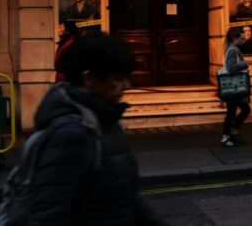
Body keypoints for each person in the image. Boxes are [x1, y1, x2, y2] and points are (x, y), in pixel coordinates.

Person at [9, 31, 164, 224]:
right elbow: (49, 214)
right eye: (117, 78)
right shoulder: (71, 134)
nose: (127, 86)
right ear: (89, 79)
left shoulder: (106, 121)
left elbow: (124, 196)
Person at [221, 26, 250, 147]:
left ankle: (230, 135)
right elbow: (231, 67)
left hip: (233, 87)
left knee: (233, 112)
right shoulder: (233, 49)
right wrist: (245, 63)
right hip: (234, 86)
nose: (243, 39)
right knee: (241, 111)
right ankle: (229, 136)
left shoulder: (231, 48)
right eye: (241, 37)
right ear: (235, 37)